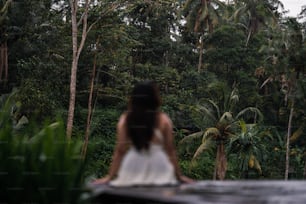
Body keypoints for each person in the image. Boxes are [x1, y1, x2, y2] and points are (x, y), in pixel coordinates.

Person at [93, 81, 193, 186]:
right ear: (154, 98)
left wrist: (109, 176)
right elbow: (170, 150)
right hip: (158, 165)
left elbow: (120, 150)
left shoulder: (126, 119)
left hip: (133, 164)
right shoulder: (163, 120)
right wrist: (179, 176)